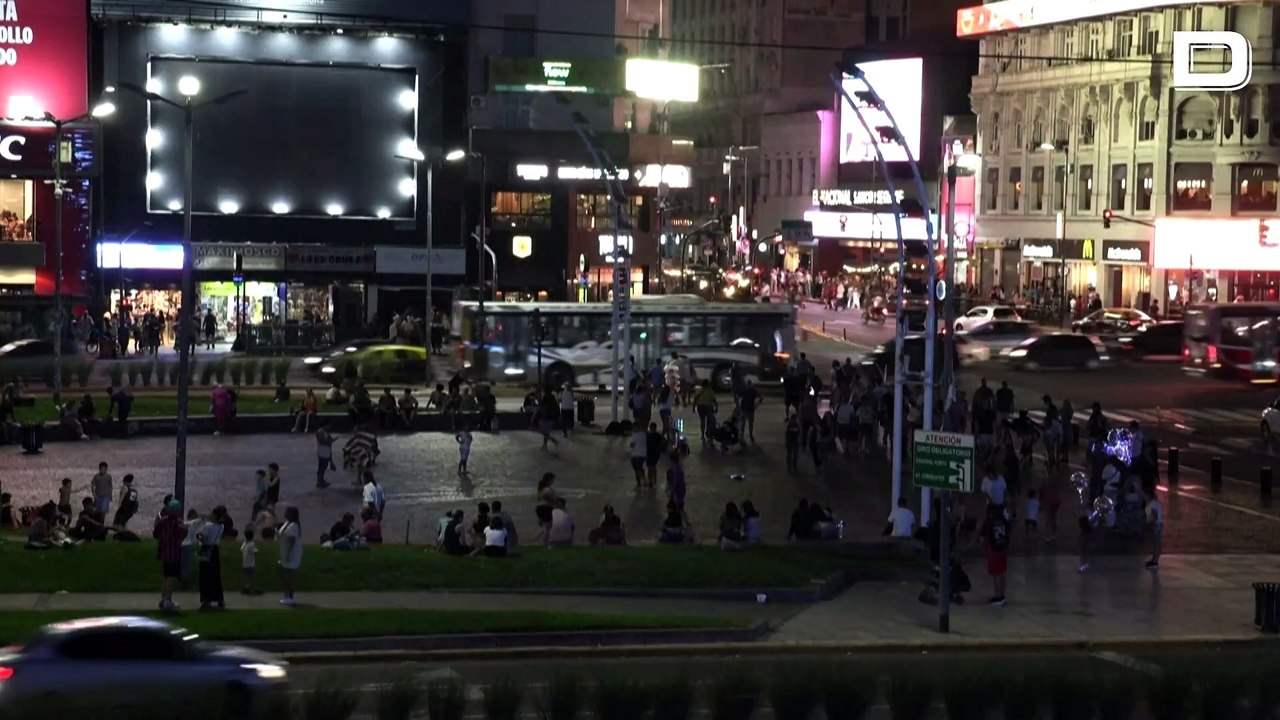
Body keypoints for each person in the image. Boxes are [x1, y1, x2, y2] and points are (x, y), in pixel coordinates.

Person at [154, 500, 186, 613]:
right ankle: (168, 600)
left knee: (165, 576)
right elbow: (183, 533)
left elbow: (155, 533)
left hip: (163, 552)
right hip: (174, 553)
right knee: (172, 577)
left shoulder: (162, 521)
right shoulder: (177, 522)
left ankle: (164, 599)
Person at [981, 505, 1010, 606]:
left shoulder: (989, 522)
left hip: (994, 550)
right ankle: (1000, 595)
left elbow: (986, 537)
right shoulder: (1003, 520)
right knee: (1001, 572)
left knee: (996, 573)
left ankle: (999, 596)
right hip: (1003, 549)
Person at [197, 511, 225, 610]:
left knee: (204, 575)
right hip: (215, 550)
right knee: (215, 574)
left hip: (206, 549)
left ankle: (206, 599)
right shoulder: (221, 527)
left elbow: (203, 537)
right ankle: (218, 598)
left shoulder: (207, 526)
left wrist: (199, 538)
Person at [278, 506, 302, 606]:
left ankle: (290, 596)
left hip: (291, 553)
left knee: (290, 575)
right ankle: (286, 595)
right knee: (285, 574)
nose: (285, 513)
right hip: (285, 552)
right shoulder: (287, 523)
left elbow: (291, 541)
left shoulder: (293, 526)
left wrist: (288, 554)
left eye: (287, 512)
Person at [535, 472, 557, 544]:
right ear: (549, 480)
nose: (553, 481)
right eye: (553, 480)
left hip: (539, 508)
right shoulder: (547, 490)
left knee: (545, 527)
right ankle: (545, 542)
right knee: (548, 528)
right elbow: (554, 501)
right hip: (546, 508)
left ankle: (538, 540)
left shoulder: (540, 489)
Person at [1145, 492, 1164, 569]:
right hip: (1158, 525)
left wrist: (1150, 525)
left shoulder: (1152, 504)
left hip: (1156, 525)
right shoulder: (1155, 503)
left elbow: (1154, 516)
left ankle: (1155, 561)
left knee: (1156, 544)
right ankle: (1154, 560)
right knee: (1156, 544)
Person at [315, 424, 336, 488]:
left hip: (326, 452)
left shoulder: (325, 432)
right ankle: (319, 481)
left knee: (323, 467)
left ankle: (321, 480)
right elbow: (322, 441)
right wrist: (330, 441)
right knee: (321, 467)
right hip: (322, 452)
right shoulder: (320, 432)